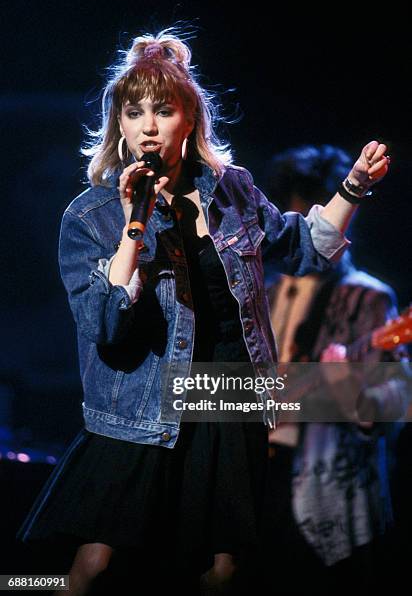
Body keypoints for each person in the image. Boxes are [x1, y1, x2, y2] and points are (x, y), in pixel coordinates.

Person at [16, 29, 390, 595]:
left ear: (189, 120)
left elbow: (303, 247)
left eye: (163, 111)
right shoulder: (90, 216)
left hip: (226, 393)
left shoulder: (232, 191)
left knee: (223, 570)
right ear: (118, 124)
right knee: (96, 567)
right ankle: (18, 587)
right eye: (133, 112)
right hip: (139, 402)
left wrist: (355, 187)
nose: (147, 125)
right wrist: (131, 227)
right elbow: (105, 325)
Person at [262, 144, 408, 594]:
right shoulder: (263, 289)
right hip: (255, 464)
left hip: (322, 475)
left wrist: (343, 384)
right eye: (297, 214)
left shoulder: (369, 297)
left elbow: (389, 408)